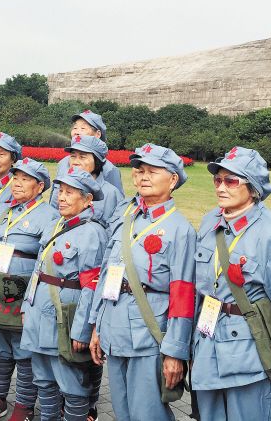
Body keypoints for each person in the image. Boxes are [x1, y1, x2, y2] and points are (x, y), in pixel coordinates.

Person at [192, 146, 271, 420]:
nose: (221, 187)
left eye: (231, 181)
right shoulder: (210, 221)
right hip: (207, 347)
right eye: (217, 180)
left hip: (249, 355)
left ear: (252, 188)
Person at [89, 143, 196, 421]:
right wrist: (98, 326)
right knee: (123, 411)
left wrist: (175, 352)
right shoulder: (126, 215)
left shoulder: (179, 229)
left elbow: (183, 295)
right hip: (115, 327)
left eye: (153, 171)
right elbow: (107, 272)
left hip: (149, 334)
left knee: (148, 413)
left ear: (173, 180)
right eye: (139, 170)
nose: (143, 177)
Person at [0, 158, 57, 421]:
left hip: (21, 293)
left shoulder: (48, 216)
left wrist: (32, 303)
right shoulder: (2, 210)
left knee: (24, 351)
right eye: (15, 177)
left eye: (25, 179)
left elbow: (44, 265)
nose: (16, 183)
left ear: (39, 186)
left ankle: (24, 405)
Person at [21, 167, 109, 421]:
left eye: (70, 193)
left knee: (71, 385)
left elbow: (92, 286)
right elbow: (38, 270)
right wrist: (27, 306)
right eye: (60, 191)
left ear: (87, 199)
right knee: (44, 380)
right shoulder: (53, 226)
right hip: (40, 315)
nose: (61, 197)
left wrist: (82, 329)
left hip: (65, 320)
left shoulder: (93, 233)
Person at [49, 135, 124, 223]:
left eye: (82, 157)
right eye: (73, 156)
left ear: (97, 161)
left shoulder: (111, 194)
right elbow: (54, 217)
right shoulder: (62, 187)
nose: (75, 162)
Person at [55, 110, 124, 194]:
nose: (76, 132)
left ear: (97, 134)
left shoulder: (109, 169)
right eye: (75, 128)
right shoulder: (63, 163)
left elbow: (115, 200)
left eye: (83, 128)